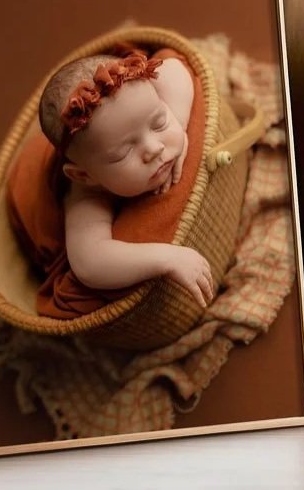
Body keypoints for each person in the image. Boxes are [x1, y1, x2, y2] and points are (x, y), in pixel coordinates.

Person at [37, 50, 215, 309]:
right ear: (85, 175)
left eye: (158, 122)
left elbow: (174, 68)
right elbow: (90, 263)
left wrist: (177, 121)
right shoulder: (86, 196)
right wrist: (168, 258)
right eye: (123, 153)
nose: (154, 148)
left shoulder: (137, 99)